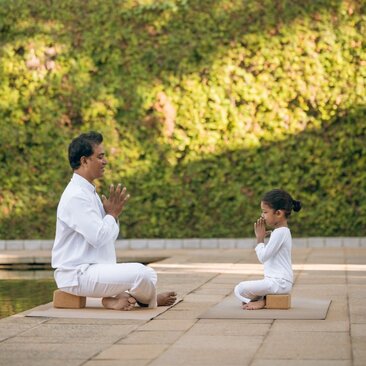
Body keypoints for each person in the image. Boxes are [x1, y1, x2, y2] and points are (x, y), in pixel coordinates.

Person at [52, 131, 176, 310]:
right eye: (100, 157)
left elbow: (109, 236)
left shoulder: (88, 192)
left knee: (147, 273)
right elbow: (98, 237)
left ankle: (117, 299)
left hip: (96, 270)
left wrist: (111, 215)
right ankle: (144, 299)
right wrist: (112, 214)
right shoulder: (76, 196)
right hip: (78, 274)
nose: (105, 161)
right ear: (84, 160)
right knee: (143, 274)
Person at [234, 189, 301, 310]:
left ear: (279, 213)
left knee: (240, 289)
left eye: (265, 212)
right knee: (241, 289)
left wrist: (260, 239)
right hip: (278, 282)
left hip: (279, 283)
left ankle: (263, 301)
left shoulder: (280, 233)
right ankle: (262, 299)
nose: (262, 216)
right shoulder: (280, 232)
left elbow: (263, 257)